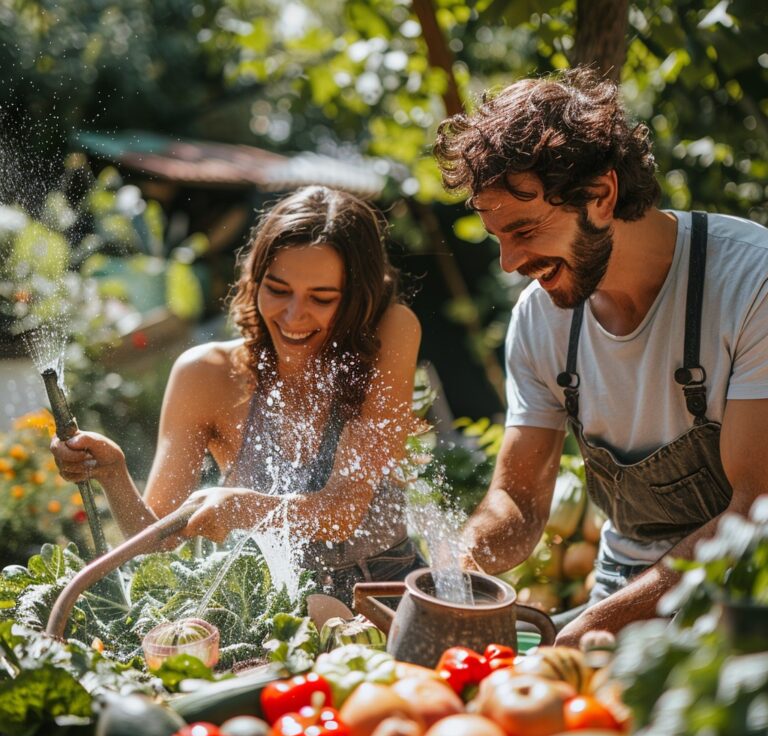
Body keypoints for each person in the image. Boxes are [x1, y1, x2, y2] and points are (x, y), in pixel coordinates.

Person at [433, 67, 768, 645]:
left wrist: (597, 622)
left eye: (525, 230)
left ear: (602, 195)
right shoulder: (540, 321)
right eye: (499, 239)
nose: (509, 263)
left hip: (747, 592)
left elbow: (754, 509)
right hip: (620, 585)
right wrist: (453, 575)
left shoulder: (749, 282)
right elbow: (517, 499)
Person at [51, 185, 425, 606]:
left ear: (359, 300)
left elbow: (342, 510)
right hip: (276, 610)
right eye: (278, 289)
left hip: (386, 594)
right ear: (254, 279)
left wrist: (241, 507)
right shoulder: (205, 375)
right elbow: (157, 538)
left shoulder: (390, 333)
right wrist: (112, 472)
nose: (292, 315)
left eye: (321, 298)